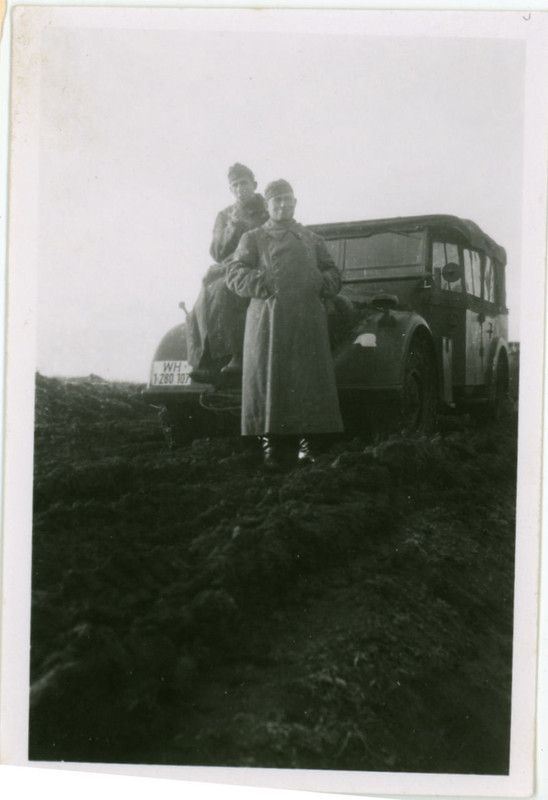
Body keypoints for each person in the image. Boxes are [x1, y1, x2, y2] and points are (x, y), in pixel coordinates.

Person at [226, 179, 344, 469]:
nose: (283, 206)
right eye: (277, 201)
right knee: (272, 380)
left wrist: (320, 282)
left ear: (295, 203)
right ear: (267, 206)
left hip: (308, 320)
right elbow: (234, 272)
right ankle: (274, 448)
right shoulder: (253, 238)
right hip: (269, 319)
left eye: (288, 200)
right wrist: (263, 282)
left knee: (309, 381)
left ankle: (312, 444)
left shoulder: (312, 239)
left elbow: (332, 272)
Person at [186, 164, 269, 383]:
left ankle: (238, 356)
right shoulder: (225, 215)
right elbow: (216, 252)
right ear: (230, 190)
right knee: (204, 298)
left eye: (244, 183)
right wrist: (233, 225)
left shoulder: (267, 209)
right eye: (235, 185)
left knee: (226, 289)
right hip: (228, 266)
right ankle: (207, 360)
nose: (240, 189)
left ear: (254, 184)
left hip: (258, 263)